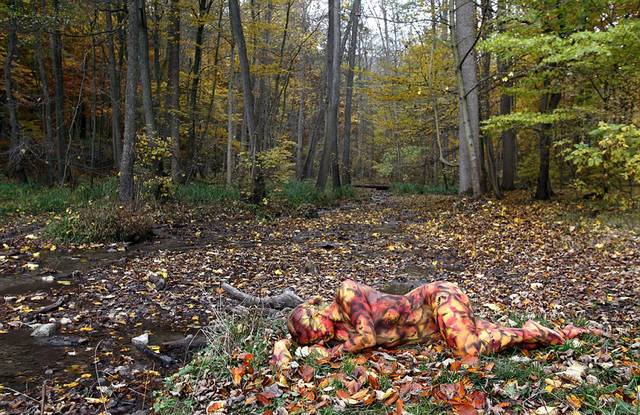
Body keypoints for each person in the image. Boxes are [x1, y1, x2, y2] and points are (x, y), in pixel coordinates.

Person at [271, 280, 600, 368]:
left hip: (435, 299)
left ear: (313, 313)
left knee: (468, 347)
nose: (313, 342)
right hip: (433, 328)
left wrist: (329, 356)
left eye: (310, 335)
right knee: (481, 340)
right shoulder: (337, 333)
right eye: (308, 341)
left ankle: (537, 330)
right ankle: (552, 333)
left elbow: (368, 338)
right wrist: (284, 345)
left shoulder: (346, 294)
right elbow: (285, 349)